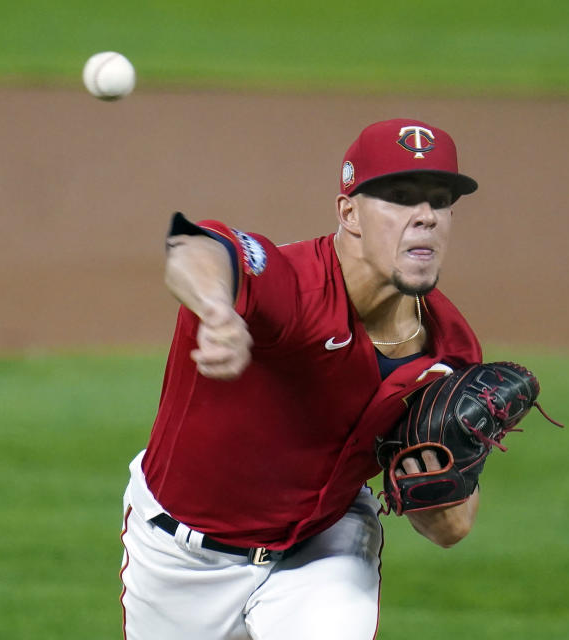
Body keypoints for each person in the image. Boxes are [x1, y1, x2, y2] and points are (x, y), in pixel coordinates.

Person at [120, 118, 484, 639]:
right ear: (349, 212)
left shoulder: (451, 351)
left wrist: (439, 499)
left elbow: (452, 526)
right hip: (179, 558)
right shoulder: (295, 286)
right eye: (400, 197)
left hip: (322, 546)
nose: (425, 217)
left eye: (440, 200)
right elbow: (193, 246)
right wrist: (217, 310)